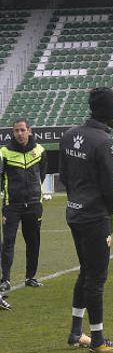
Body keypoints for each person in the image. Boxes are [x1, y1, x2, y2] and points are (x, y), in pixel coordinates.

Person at [59, 87, 113, 352]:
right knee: (97, 277)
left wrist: (78, 197)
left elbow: (63, 176)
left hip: (74, 212)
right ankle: (98, 340)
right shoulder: (104, 142)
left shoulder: (68, 135)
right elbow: (110, 186)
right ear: (109, 114)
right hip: (95, 216)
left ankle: (77, 332)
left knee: (86, 271)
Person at [0, 118, 48, 290]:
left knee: (33, 242)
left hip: (34, 204)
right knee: (8, 242)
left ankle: (31, 277)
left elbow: (41, 174)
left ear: (29, 131)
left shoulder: (40, 150)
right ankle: (5, 279)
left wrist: (34, 192)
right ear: (13, 133)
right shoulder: (4, 152)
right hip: (12, 205)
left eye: (22, 130)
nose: (19, 133)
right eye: (16, 131)